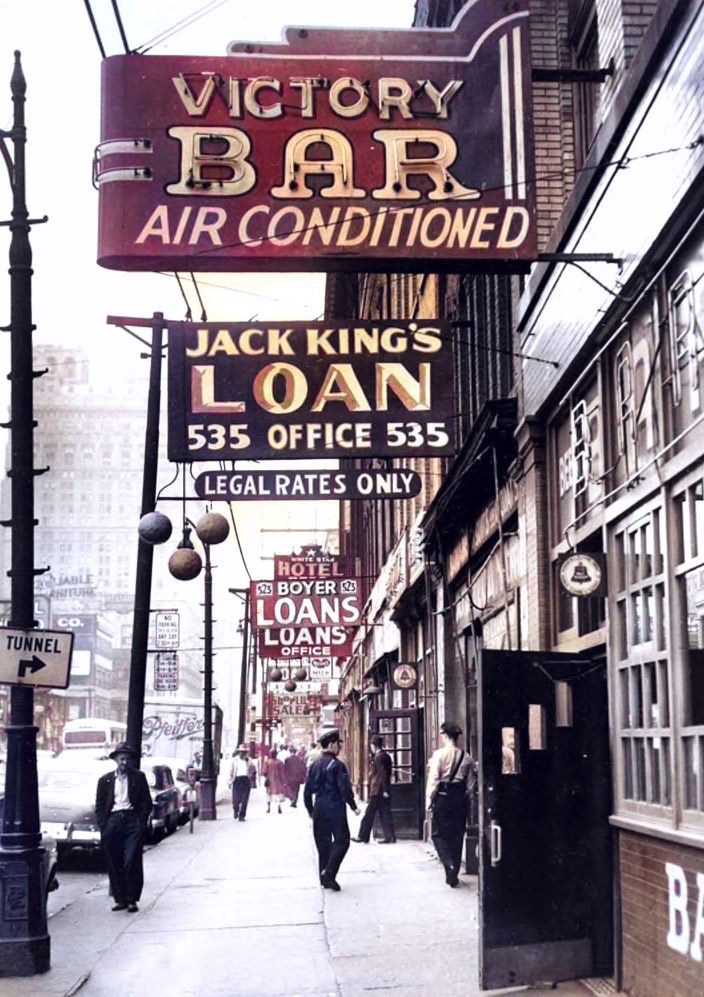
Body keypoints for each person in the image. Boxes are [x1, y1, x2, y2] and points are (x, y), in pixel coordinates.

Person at [95, 741, 153, 912]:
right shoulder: (104, 780)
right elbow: (99, 805)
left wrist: (141, 822)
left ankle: (132, 899)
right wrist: (104, 825)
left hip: (132, 821)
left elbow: (146, 803)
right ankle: (120, 900)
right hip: (113, 821)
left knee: (131, 860)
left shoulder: (138, 777)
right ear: (116, 760)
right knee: (114, 861)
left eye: (127, 759)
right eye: (121, 759)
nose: (124, 763)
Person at [304, 730, 360, 891]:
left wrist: (311, 811)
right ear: (332, 744)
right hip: (335, 806)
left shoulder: (314, 765)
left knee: (323, 843)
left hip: (319, 806)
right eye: (338, 744)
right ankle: (329, 873)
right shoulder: (338, 765)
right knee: (342, 840)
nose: (340, 747)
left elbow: (307, 791)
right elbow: (344, 789)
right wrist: (353, 806)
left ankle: (325, 877)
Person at [426, 720, 476, 888]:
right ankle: (452, 877)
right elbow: (470, 785)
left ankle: (448, 862)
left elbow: (434, 779)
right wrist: (468, 802)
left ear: (446, 736)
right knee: (457, 834)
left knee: (438, 834)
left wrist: (429, 800)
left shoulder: (439, 755)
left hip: (443, 795)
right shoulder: (466, 756)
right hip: (459, 798)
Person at [352, 734, 396, 844]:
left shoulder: (378, 757)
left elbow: (382, 774)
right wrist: (386, 789)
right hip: (383, 789)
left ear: (374, 746)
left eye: (371, 745)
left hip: (378, 790)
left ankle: (362, 836)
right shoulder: (386, 756)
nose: (371, 747)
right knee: (385, 813)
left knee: (369, 813)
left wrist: (384, 789)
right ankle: (390, 837)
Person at [228, 745, 256, 821]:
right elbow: (231, 770)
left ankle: (242, 816)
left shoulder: (249, 760)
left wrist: (249, 763)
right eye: (241, 752)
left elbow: (253, 770)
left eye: (244, 752)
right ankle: (236, 810)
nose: (242, 753)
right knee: (236, 799)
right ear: (238, 752)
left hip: (245, 780)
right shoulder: (235, 760)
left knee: (244, 799)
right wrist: (229, 781)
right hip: (237, 780)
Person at [262, 748, 287, 813]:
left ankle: (268, 808)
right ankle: (279, 807)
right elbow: (283, 773)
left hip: (270, 781)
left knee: (268, 794)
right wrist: (284, 782)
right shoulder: (280, 762)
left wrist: (266, 777)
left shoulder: (267, 762)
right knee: (278, 795)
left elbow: (264, 772)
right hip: (278, 782)